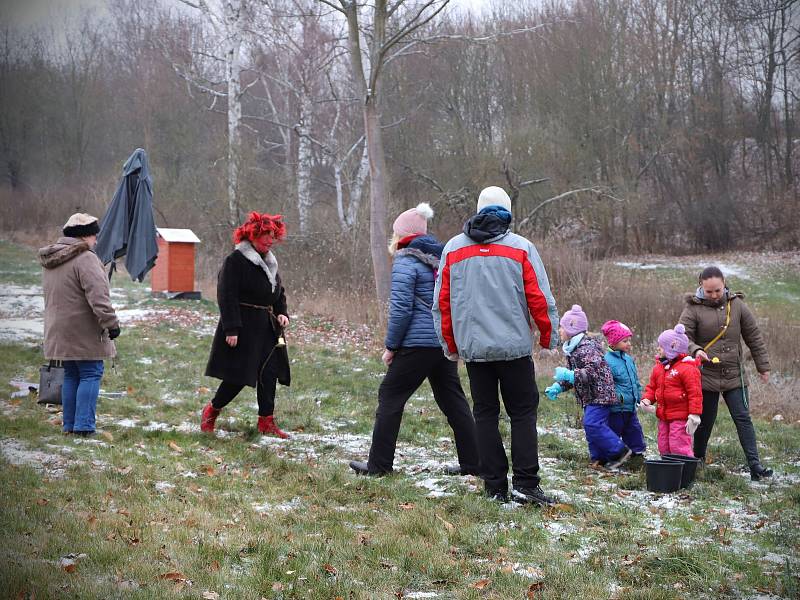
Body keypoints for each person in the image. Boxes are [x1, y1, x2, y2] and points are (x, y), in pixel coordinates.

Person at [433, 186, 559, 505]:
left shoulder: (453, 249)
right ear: (506, 211)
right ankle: (527, 483)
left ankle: (494, 486)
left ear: (477, 210)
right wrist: (548, 338)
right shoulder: (521, 248)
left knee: (485, 415)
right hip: (514, 348)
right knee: (522, 414)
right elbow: (539, 300)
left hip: (475, 351)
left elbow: (442, 304)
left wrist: (450, 346)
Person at [350, 203, 480, 476]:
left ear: (401, 235)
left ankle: (379, 466)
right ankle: (474, 463)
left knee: (390, 396)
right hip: (440, 343)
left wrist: (391, 346)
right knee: (453, 400)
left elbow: (400, 309)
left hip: (416, 344)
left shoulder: (406, 261)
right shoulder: (441, 258)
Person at [201, 212, 291, 438]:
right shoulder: (236, 260)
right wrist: (231, 328)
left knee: (268, 374)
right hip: (244, 325)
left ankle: (266, 421)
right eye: (265, 235)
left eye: (273, 235)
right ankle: (212, 410)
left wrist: (281, 312)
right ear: (252, 235)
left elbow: (277, 290)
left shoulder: (270, 261)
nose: (270, 240)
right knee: (239, 376)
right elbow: (226, 295)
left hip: (267, 327)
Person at [679, 266, 773, 480]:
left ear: (724, 285)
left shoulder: (737, 305)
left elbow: (754, 336)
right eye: (709, 291)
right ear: (701, 285)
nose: (713, 295)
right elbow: (681, 339)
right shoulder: (692, 309)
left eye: (718, 291)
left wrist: (763, 366)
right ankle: (698, 460)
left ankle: (755, 466)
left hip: (734, 375)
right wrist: (696, 350)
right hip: (705, 375)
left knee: (743, 418)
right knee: (704, 421)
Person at [39, 213, 120, 436]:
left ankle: (69, 425)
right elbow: (99, 297)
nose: (96, 240)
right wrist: (111, 323)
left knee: (72, 375)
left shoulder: (53, 257)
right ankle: (84, 427)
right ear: (86, 236)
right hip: (83, 329)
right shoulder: (86, 258)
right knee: (91, 373)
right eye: (94, 235)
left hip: (58, 328)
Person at [545, 306, 631, 469]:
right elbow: (575, 376)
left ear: (571, 328)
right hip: (590, 396)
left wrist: (570, 375)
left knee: (592, 424)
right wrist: (558, 386)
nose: (560, 331)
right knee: (592, 428)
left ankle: (618, 451)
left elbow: (592, 373)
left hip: (600, 394)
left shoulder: (587, 348)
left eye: (562, 327)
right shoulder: (573, 349)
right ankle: (598, 458)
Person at [639, 324, 703, 457]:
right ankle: (668, 469)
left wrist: (694, 414)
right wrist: (647, 399)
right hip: (664, 415)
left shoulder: (687, 369)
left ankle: (684, 468)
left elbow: (695, 393)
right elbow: (652, 387)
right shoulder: (659, 368)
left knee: (678, 444)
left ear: (673, 348)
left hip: (681, 416)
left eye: (662, 346)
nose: (658, 348)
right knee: (663, 444)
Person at [601, 320, 647, 460]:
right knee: (614, 432)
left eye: (629, 340)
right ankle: (611, 456)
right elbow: (605, 384)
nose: (629, 344)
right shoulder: (606, 361)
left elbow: (634, 380)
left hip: (630, 406)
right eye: (624, 341)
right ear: (613, 342)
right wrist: (614, 398)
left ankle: (637, 454)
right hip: (617, 408)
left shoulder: (628, 359)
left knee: (634, 430)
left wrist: (638, 396)